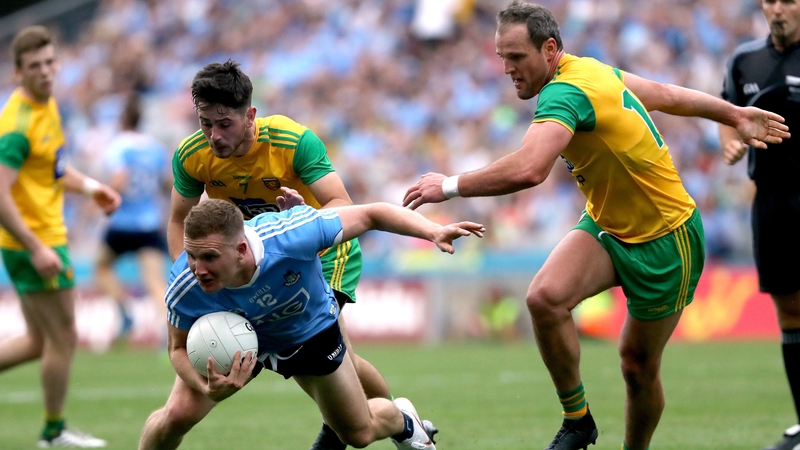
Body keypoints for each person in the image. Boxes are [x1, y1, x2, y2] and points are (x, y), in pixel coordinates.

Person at [402, 2, 790, 449]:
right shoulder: (590, 70)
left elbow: (530, 168)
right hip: (608, 226)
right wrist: (734, 114)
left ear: (550, 49)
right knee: (545, 299)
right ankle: (578, 421)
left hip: (666, 238)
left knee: (637, 366)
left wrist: (448, 185)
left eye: (516, 57)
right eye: (501, 56)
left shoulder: (566, 91)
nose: (506, 69)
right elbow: (663, 93)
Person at [138, 196, 484, 450]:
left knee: (358, 433)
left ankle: (404, 421)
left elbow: (373, 213)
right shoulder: (184, 284)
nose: (198, 269)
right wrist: (205, 386)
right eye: (192, 255)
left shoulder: (293, 234)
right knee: (175, 416)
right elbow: (177, 348)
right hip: (240, 343)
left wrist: (433, 230)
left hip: (308, 331)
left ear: (241, 249)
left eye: (209, 257)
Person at [168, 59, 392, 450]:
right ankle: (392, 421)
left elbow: (341, 204)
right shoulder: (191, 155)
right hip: (251, 264)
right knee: (334, 362)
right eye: (205, 123)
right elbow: (178, 221)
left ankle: (380, 421)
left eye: (225, 124)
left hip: (319, 252)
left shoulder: (292, 141)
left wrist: (298, 219)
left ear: (250, 115)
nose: (214, 136)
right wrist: (192, 278)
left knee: (331, 354)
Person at [0, 26, 121, 447]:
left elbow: (51, 168)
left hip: (39, 239)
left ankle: (54, 430)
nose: (45, 71)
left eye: (50, 62)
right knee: (63, 336)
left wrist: (91, 187)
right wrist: (36, 247)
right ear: (18, 72)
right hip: (34, 242)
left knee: (39, 341)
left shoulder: (46, 104)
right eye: (35, 66)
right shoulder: (16, 125)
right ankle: (53, 432)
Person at [718, 1, 800, 449]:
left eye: (787, 0)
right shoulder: (744, 60)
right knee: (789, 313)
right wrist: (730, 142)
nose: (777, 9)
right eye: (770, 0)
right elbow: (726, 113)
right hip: (770, 200)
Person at [94, 93, 171, 343]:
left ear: (122, 120)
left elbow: (120, 178)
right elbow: (166, 183)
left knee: (101, 267)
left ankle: (125, 310)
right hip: (149, 223)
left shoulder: (119, 145)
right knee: (154, 280)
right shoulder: (155, 148)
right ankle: (168, 332)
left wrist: (103, 197)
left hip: (122, 224)